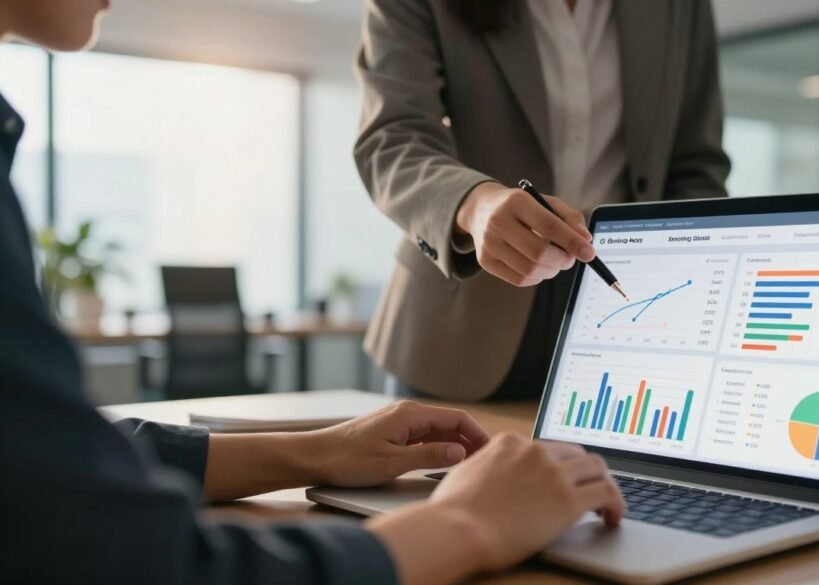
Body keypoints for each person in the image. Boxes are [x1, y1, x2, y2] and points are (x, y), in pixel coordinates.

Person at [0, 2, 625, 584]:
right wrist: (467, 523)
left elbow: (37, 460)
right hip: (462, 326)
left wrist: (320, 451)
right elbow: (127, 556)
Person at [356, 0, 731, 401]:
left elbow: (696, 164)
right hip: (460, 322)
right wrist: (475, 206)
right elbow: (392, 140)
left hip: (623, 319)